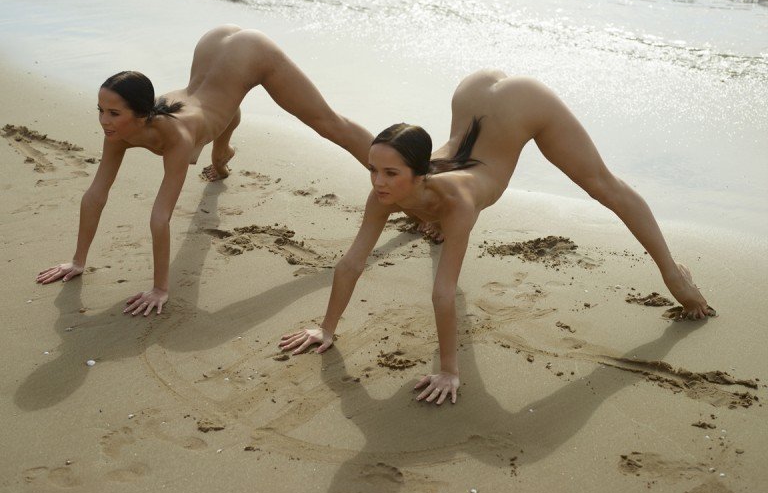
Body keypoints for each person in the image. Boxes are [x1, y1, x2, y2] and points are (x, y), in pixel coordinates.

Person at [279, 70, 715, 405]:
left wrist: (449, 370)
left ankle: (674, 274)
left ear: (419, 171)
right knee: (425, 208)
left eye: (390, 172)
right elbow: (352, 261)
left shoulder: (459, 203)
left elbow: (444, 291)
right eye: (373, 170)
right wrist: (326, 329)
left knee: (602, 184)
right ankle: (425, 215)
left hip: (523, 105)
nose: (378, 181)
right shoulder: (387, 192)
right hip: (472, 92)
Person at [36, 25, 374, 315]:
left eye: (113, 113)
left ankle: (397, 168)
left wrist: (160, 289)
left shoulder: (177, 137)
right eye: (100, 110)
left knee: (328, 124)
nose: (104, 121)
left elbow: (161, 216)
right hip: (214, 45)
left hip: (251, 53)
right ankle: (222, 154)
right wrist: (77, 261)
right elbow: (96, 194)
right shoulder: (118, 131)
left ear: (141, 114)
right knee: (220, 103)